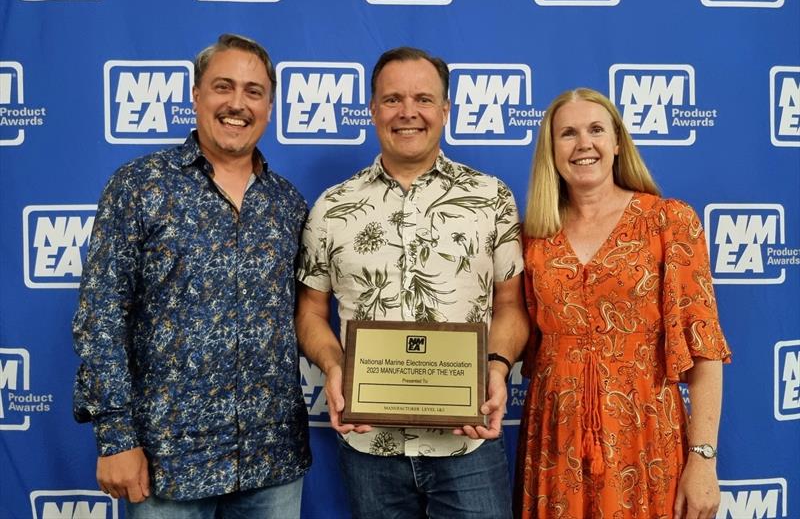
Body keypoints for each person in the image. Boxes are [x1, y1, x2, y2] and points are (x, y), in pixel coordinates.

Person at [72, 34, 311, 518]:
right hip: (168, 462)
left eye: (253, 91)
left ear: (269, 105)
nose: (237, 104)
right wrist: (116, 435)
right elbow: (100, 314)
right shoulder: (141, 186)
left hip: (272, 462)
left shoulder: (288, 203)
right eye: (223, 87)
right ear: (196, 95)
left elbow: (309, 313)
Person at [295, 46, 529, 519]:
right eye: (392, 99)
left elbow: (511, 307)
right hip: (369, 447)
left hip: (468, 444)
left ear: (445, 110)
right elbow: (310, 313)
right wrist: (335, 366)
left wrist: (499, 367)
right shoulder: (331, 207)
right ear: (373, 110)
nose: (408, 113)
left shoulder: (491, 198)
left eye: (423, 99)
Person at [513, 88, 731, 519]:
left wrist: (704, 458)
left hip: (646, 436)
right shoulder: (532, 237)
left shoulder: (669, 221)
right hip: (557, 439)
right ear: (551, 151)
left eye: (596, 129)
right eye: (567, 134)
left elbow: (704, 347)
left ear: (617, 143)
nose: (583, 144)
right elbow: (520, 335)